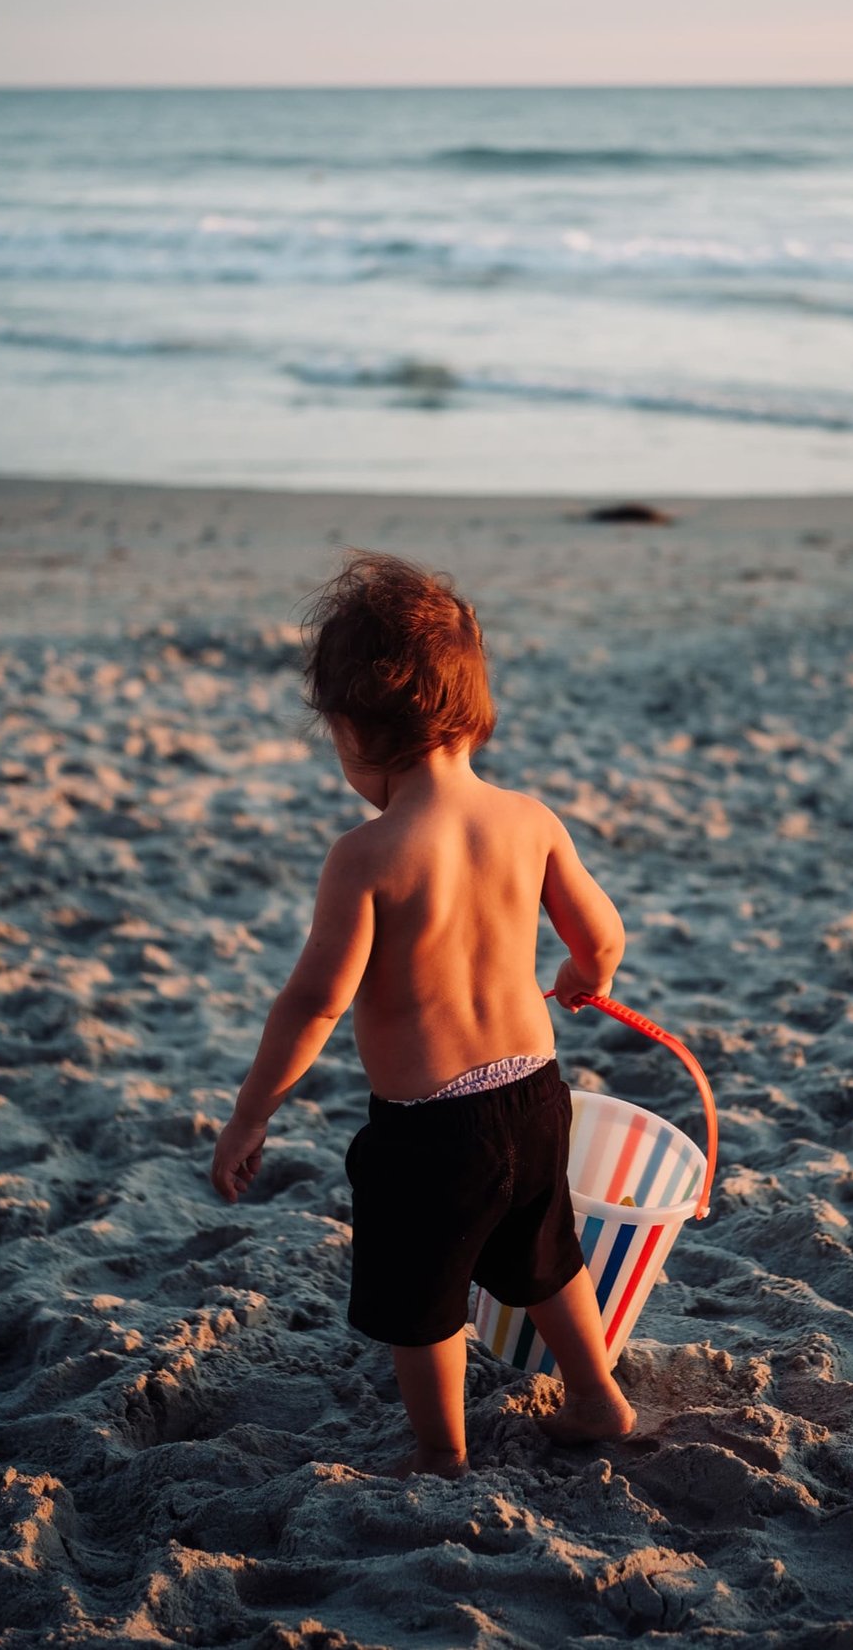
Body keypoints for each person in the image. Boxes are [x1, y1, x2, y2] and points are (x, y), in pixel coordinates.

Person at [210, 550, 636, 1478]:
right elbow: (604, 938)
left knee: (422, 1299)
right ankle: (599, 1397)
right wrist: (574, 977)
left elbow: (315, 1002)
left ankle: (442, 1452)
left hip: (430, 1130)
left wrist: (252, 1113)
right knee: (546, 1255)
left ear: (357, 729)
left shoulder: (366, 856)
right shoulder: (529, 819)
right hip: (534, 1094)